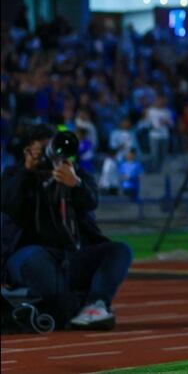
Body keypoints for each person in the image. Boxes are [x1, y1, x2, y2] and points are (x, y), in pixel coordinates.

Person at [1, 124, 133, 330]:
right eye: (42, 149)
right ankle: (69, 307)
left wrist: (76, 184)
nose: (51, 154)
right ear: (27, 151)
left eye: (52, 148)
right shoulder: (14, 175)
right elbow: (8, 203)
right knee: (38, 261)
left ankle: (95, 305)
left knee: (120, 251)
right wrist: (26, 172)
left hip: (69, 257)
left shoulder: (74, 174)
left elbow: (91, 202)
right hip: (28, 253)